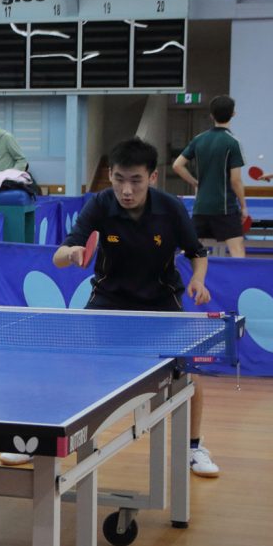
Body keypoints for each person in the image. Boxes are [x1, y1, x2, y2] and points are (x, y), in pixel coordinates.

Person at [45, 137, 217, 477]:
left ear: (152, 177)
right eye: (120, 178)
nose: (126, 189)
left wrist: (198, 280)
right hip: (109, 301)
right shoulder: (99, 205)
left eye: (136, 180)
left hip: (161, 303)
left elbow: (197, 252)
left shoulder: (170, 209)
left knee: (191, 374)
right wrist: (74, 254)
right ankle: (42, 444)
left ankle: (195, 447)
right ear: (110, 175)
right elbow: (58, 256)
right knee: (70, 366)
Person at [171, 95, 248, 258]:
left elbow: (177, 165)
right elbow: (235, 180)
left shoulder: (199, 139)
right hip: (225, 207)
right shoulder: (233, 142)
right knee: (237, 250)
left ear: (211, 115)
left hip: (201, 207)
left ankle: (185, 281)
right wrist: (244, 206)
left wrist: (195, 182)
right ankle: (240, 283)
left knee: (192, 250)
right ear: (233, 113)